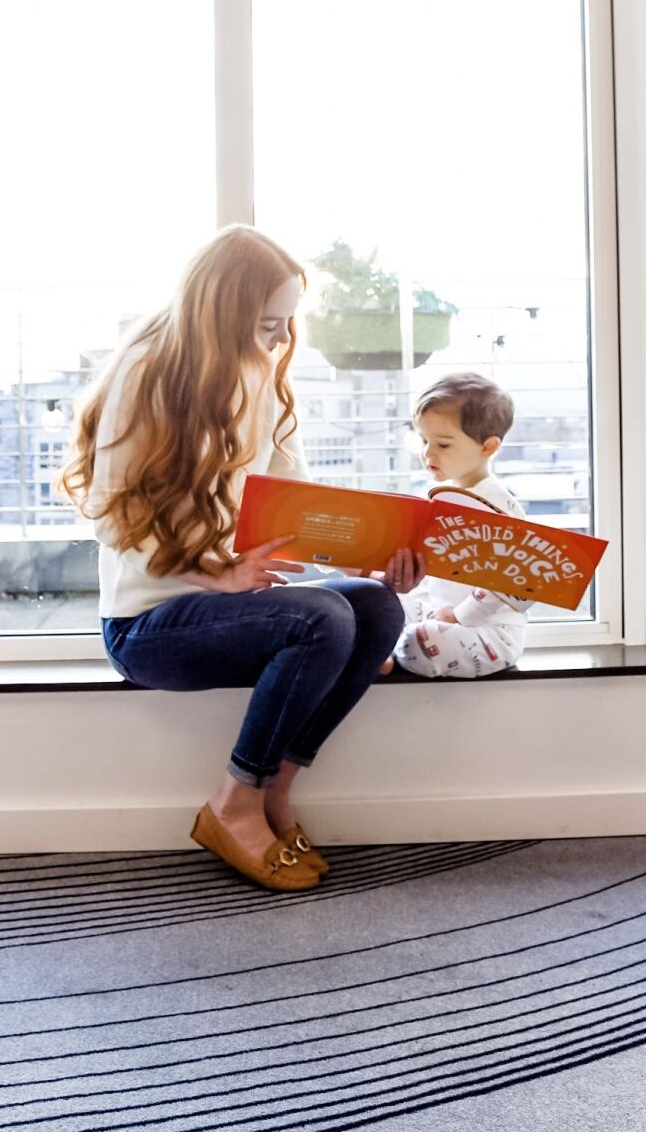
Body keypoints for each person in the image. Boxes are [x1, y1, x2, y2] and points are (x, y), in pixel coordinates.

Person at [61, 227, 417, 893]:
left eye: (286, 325)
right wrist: (216, 573)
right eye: (265, 325)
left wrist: (371, 557)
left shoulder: (267, 381)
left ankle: (273, 790)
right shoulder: (146, 373)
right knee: (321, 620)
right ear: (218, 316)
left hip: (233, 611)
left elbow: (297, 512)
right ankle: (232, 802)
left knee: (373, 608)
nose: (279, 341)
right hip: (149, 625)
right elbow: (110, 516)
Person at [390, 372, 532, 678]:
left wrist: (457, 615)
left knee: (424, 640)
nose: (428, 453)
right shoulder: (441, 499)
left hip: (489, 633)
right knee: (378, 601)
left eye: (443, 444)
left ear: (488, 447)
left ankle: (390, 652)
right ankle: (387, 647)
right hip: (440, 612)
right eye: (424, 441)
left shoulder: (498, 506)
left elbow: (511, 583)